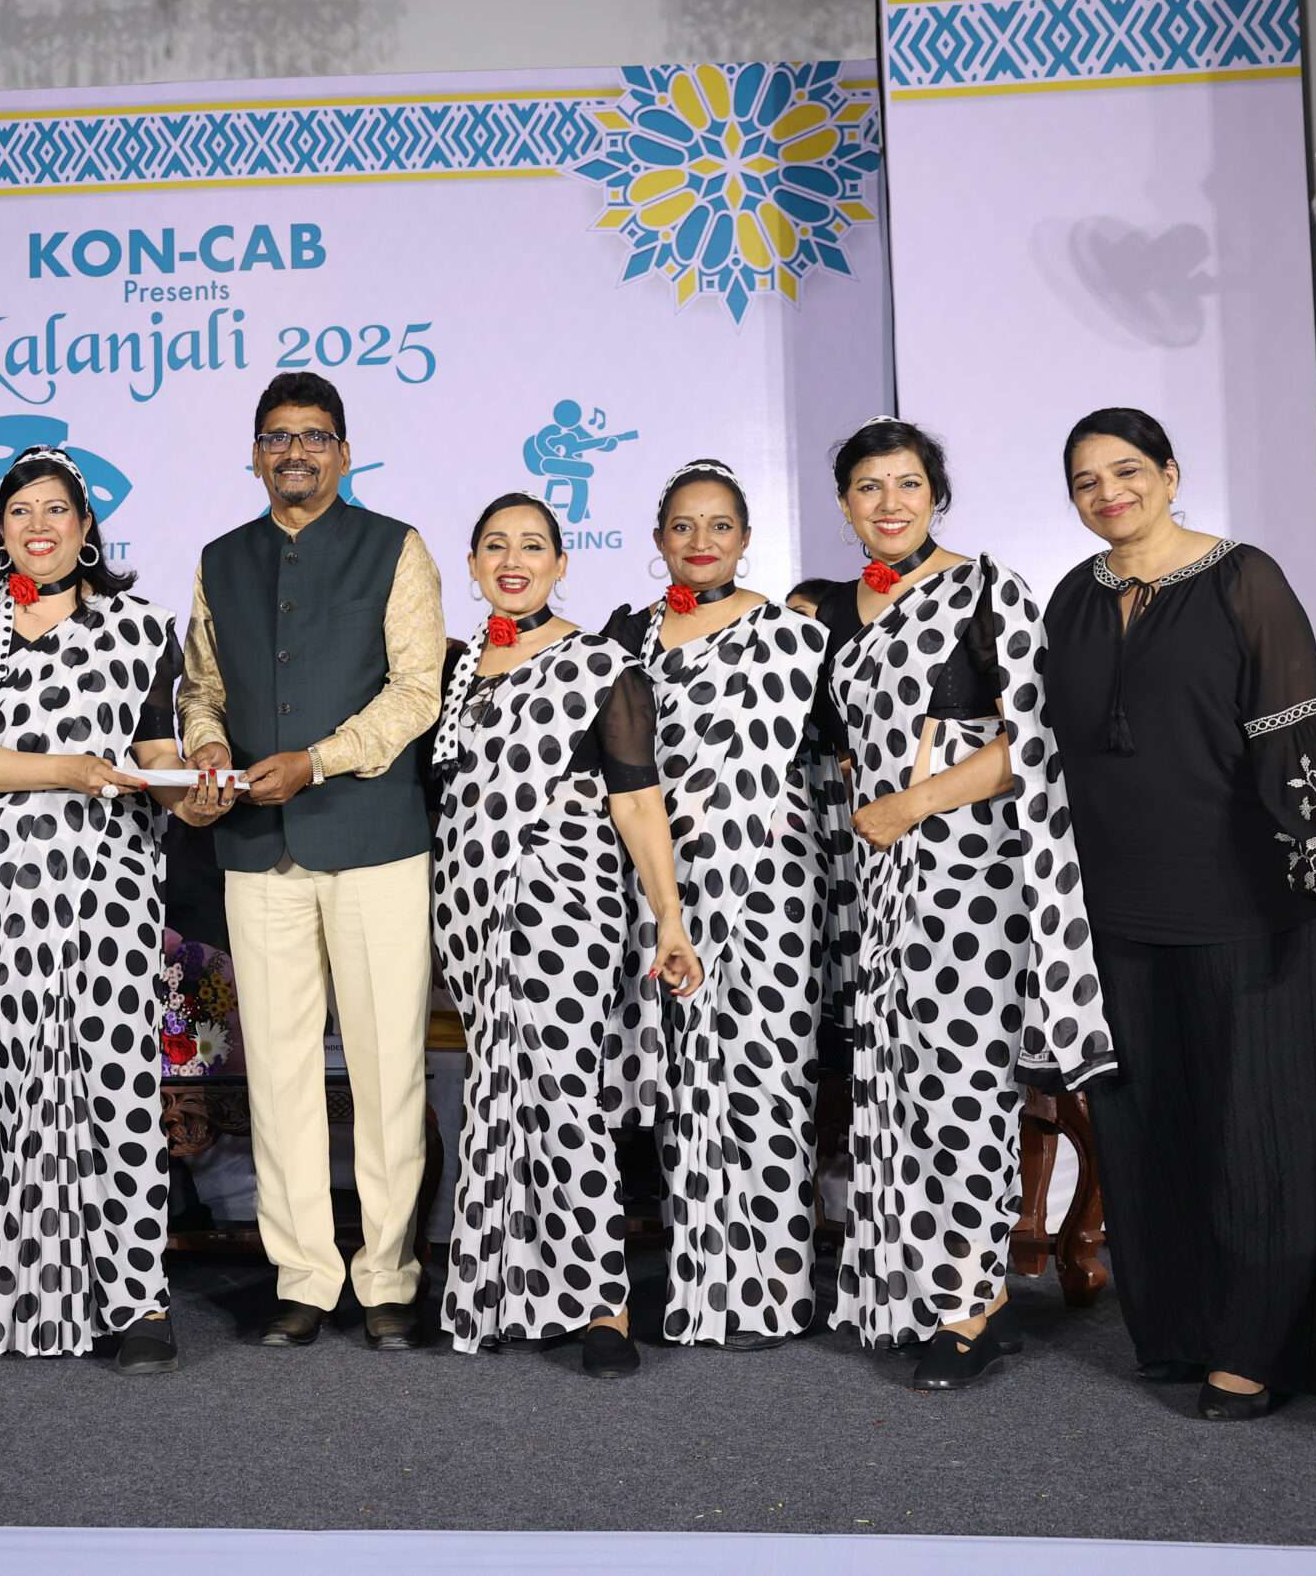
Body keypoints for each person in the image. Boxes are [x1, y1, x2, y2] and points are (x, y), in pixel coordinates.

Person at [1045, 407, 1316, 1421]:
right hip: (1114, 908)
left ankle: (1255, 1347)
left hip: (1243, 898)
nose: (1108, 492)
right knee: (1145, 1128)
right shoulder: (1072, 597)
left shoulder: (1245, 579)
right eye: (1085, 481)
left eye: (1126, 470)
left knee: (1253, 1127)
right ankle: (1179, 1328)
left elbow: (1300, 733)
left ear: (1169, 473)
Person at [810, 418, 1116, 1389]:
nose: (889, 502)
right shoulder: (839, 610)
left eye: (907, 483)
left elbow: (1037, 740)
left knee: (962, 1090)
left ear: (935, 495)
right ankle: (920, 1289)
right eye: (868, 487)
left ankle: (972, 1305)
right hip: (878, 881)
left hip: (971, 879)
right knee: (895, 1091)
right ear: (845, 504)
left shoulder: (988, 591)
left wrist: (913, 802)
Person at [176, 371, 446, 1352]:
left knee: (385, 1072)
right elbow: (200, 687)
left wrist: (320, 759)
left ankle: (387, 1278)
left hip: (373, 842)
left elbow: (417, 692)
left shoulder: (395, 547)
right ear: (255, 454)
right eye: (277, 437)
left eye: (314, 436)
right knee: (279, 1077)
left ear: (344, 451)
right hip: (257, 850)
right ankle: (302, 1276)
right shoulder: (220, 558)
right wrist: (208, 745)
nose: (295, 452)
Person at [0, 445, 200, 1373]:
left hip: (113, 888)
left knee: (119, 1087)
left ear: (86, 529)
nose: (37, 526)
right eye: (20, 511)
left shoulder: (140, 627)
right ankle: (45, 1293)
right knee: (29, 1089)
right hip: (3, 889)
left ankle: (139, 1300)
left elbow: (155, 754)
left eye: (55, 510)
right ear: (0, 530)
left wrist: (193, 790)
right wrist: (66, 770)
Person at [432, 493, 701, 1374]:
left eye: (532, 545)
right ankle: (505, 1286)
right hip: (469, 908)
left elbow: (638, 799)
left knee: (566, 1092)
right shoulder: (456, 669)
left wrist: (669, 915)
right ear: (473, 564)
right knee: (498, 1091)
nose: (513, 560)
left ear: (561, 562)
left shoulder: (600, 664)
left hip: (565, 902)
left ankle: (604, 1306)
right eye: (495, 545)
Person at [604, 461, 832, 1349]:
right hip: (661, 880)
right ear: (659, 539)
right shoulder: (625, 637)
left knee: (767, 1073)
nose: (701, 542)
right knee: (687, 1077)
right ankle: (700, 1282)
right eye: (683, 526)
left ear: (746, 539)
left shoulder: (792, 634)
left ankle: (772, 1290)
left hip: (767, 882)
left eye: (720, 526)